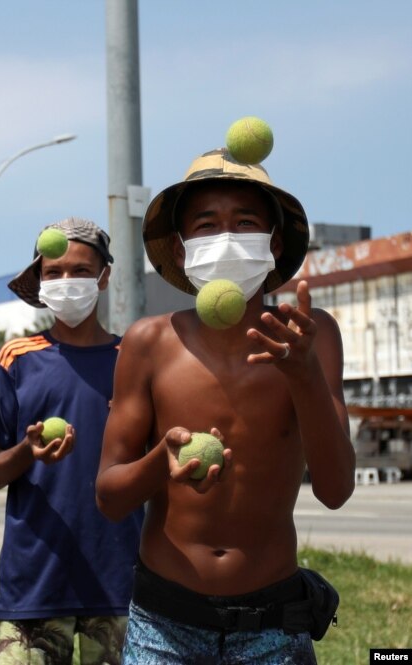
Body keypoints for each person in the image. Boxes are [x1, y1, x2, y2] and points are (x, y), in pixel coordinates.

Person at [96, 148, 355, 663]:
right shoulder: (149, 341)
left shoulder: (312, 335)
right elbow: (109, 496)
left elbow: (335, 489)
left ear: (274, 242)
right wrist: (159, 467)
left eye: (245, 223)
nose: (227, 239)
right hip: (163, 626)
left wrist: (303, 376)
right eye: (207, 225)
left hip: (273, 626)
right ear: (181, 244)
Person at [0, 218, 142, 665]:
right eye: (53, 273)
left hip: (118, 582)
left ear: (104, 277)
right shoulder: (15, 359)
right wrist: (27, 451)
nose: (66, 282)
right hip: (34, 582)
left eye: (80, 270)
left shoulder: (131, 359)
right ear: (40, 280)